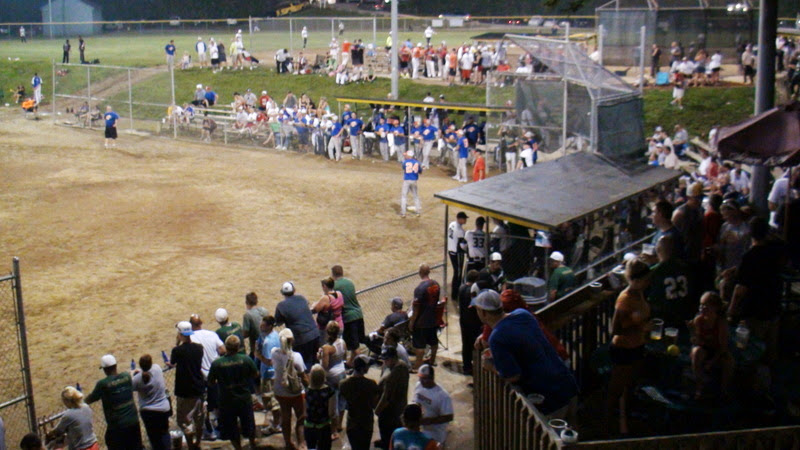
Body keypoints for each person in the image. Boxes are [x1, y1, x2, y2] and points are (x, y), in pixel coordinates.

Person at [472, 290, 578, 415]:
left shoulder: (496, 338)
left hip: (549, 398)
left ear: (483, 312)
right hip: (566, 383)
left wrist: (491, 367)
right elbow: (524, 343)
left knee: (552, 426)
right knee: (572, 423)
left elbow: (512, 376)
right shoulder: (522, 314)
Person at [728, 216, 787, 364]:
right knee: (771, 350)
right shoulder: (775, 251)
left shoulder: (750, 256)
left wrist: (731, 310)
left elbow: (741, 288)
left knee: (753, 350)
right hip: (774, 304)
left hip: (755, 309)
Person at [607, 258, 651, 436]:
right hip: (623, 348)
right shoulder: (624, 299)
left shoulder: (639, 294)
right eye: (645, 279)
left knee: (630, 384)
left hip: (637, 345)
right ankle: (610, 422)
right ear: (636, 280)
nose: (648, 282)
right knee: (617, 388)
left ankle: (625, 419)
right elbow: (615, 329)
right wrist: (641, 328)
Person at [207, 335, 257, 450]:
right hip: (244, 398)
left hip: (226, 400)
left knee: (231, 428)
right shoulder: (246, 359)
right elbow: (255, 374)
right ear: (238, 347)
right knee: (249, 425)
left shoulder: (217, 363)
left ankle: (238, 448)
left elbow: (210, 382)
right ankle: (252, 445)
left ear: (226, 347)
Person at [85, 354, 143, 449]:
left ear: (105, 369)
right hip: (133, 421)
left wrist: (80, 401)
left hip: (117, 425)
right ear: (116, 366)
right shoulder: (126, 376)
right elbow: (129, 375)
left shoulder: (103, 384)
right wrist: (132, 372)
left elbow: (91, 398)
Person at [688, 292, 733, 399]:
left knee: (728, 361)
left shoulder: (721, 323)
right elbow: (697, 341)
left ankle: (724, 390)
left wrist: (712, 362)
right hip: (704, 348)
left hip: (717, 350)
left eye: (705, 306)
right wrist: (692, 332)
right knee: (696, 353)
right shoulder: (698, 320)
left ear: (714, 307)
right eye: (701, 305)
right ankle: (699, 387)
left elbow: (723, 347)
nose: (702, 308)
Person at [169, 321, 205, 449]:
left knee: (185, 421)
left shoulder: (177, 351)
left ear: (180, 334)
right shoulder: (199, 348)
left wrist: (176, 343)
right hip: (198, 388)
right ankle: (198, 443)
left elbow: (173, 362)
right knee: (199, 419)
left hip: (184, 391)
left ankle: (191, 446)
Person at [272, 329, 309, 450]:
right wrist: (311, 389)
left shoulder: (274, 353)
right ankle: (301, 443)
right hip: (296, 393)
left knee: (286, 417)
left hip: (280, 391)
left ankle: (288, 443)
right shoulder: (296, 356)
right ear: (292, 340)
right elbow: (303, 376)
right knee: (301, 417)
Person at [647, 234, 693, 328]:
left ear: (658, 250)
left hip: (663, 319)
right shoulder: (686, 269)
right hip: (684, 315)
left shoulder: (654, 272)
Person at [274, 281, 320, 369]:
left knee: (304, 366)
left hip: (301, 339)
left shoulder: (281, 306)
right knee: (314, 362)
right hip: (315, 334)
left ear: (283, 293)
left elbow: (278, 321)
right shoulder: (301, 298)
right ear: (294, 290)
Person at [339, 355, 380, 450]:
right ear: (362, 368)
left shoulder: (343, 384)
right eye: (367, 366)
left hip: (352, 424)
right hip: (367, 424)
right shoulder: (371, 384)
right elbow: (374, 404)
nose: (368, 368)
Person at [131, 354, 171, 450]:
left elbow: (131, 386)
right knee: (165, 433)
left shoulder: (137, 379)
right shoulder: (157, 369)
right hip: (163, 409)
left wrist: (132, 373)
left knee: (154, 438)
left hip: (148, 412)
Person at [409, 264, 441, 372]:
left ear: (420, 272)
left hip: (421, 322)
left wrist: (412, 322)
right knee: (433, 342)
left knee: (419, 346)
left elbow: (416, 308)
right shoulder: (436, 284)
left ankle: (417, 366)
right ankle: (432, 360)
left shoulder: (420, 288)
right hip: (433, 319)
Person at [375, 347, 409, 449]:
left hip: (392, 408)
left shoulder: (394, 374)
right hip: (399, 405)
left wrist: (378, 410)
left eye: (386, 359)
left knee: (387, 427)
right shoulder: (401, 364)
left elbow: (387, 396)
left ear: (394, 358)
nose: (384, 362)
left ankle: (387, 444)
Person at [317, 321, 347, 438]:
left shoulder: (327, 348)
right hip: (342, 373)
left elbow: (325, 365)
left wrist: (319, 357)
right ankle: (339, 424)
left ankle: (333, 431)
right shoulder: (342, 342)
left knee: (332, 404)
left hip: (332, 378)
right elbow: (344, 357)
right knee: (342, 400)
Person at [411, 365, 453, 445]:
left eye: (425, 378)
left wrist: (429, 421)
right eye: (420, 378)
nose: (422, 381)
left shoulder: (443, 396)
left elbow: (449, 417)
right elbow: (416, 401)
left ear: (432, 378)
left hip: (436, 434)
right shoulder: (419, 386)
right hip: (421, 431)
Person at [332, 265, 365, 366]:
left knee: (355, 348)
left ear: (333, 274)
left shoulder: (334, 286)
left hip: (349, 318)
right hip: (358, 314)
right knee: (355, 344)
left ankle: (361, 366)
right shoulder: (350, 282)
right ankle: (350, 363)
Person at [255, 315, 282, 435]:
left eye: (264, 325)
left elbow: (269, 361)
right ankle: (277, 421)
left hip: (269, 374)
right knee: (272, 400)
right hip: (275, 372)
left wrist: (258, 355)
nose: (261, 326)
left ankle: (276, 424)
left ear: (270, 326)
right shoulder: (275, 335)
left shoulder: (268, 342)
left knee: (271, 402)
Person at [302, 364, 336, 450]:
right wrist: (334, 428)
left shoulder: (307, 391)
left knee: (311, 448)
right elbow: (331, 412)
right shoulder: (329, 391)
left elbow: (305, 413)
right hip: (324, 426)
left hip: (309, 426)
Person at [458, 270, 482, 375]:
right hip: (473, 321)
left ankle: (466, 366)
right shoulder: (473, 291)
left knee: (465, 344)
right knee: (474, 344)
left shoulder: (461, 288)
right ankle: (475, 366)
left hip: (463, 320)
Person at [447, 211, 468, 295]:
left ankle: (455, 291)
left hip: (450, 250)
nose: (465, 220)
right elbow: (462, 246)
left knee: (456, 271)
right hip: (457, 253)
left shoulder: (451, 224)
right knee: (458, 273)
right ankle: (455, 292)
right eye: (464, 218)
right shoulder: (460, 231)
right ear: (460, 219)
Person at [242, 292, 268, 357]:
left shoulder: (248, 315)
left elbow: (245, 333)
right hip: (267, 341)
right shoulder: (265, 311)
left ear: (246, 302)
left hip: (256, 346)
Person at [400, 150, 422, 218]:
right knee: (415, 196)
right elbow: (420, 171)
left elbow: (404, 168)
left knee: (404, 196)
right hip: (414, 181)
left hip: (407, 180)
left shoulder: (405, 162)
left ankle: (403, 213)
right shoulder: (417, 162)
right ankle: (418, 212)